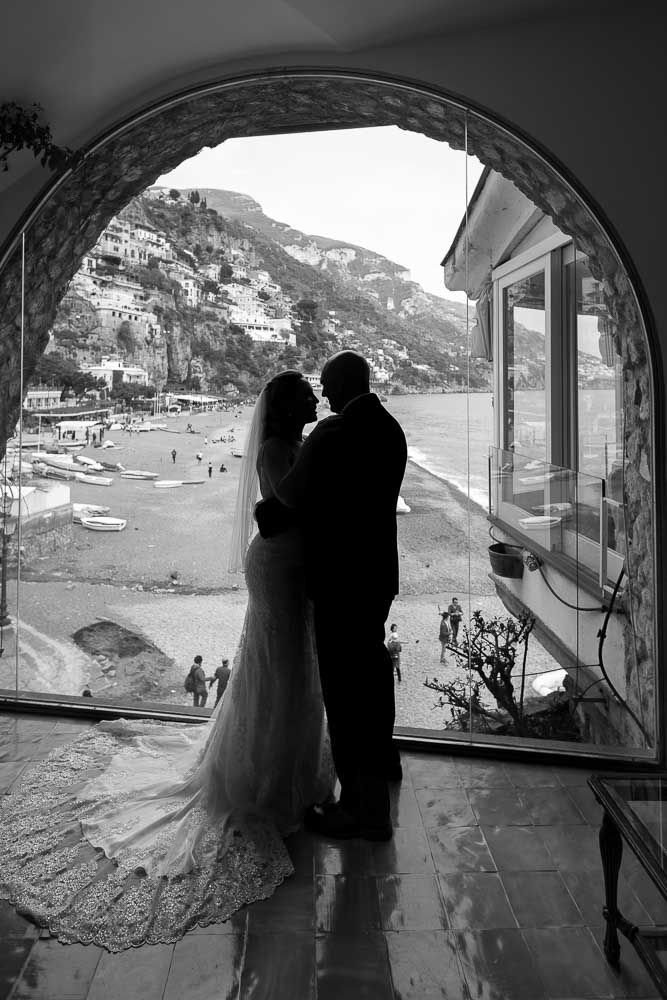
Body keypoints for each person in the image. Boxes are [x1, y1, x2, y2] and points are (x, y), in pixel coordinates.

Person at [0, 370, 333, 951]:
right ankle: (269, 780)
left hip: (292, 565)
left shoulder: (296, 445)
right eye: (305, 393)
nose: (314, 398)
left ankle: (290, 774)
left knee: (288, 667)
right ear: (285, 406)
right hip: (279, 568)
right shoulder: (281, 448)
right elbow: (290, 503)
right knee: (277, 666)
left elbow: (288, 508)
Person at [269, 350, 407, 842]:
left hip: (339, 579)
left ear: (344, 384)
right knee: (371, 673)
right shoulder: (391, 428)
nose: (322, 394)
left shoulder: (333, 434)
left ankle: (362, 811)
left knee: (346, 695)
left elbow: (288, 496)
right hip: (376, 575)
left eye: (326, 385)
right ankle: (384, 760)